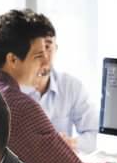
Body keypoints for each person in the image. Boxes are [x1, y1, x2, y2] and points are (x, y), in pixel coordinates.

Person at [0, 9, 116, 163]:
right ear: (13, 60)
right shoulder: (18, 106)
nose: (46, 62)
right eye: (38, 55)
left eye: (48, 50)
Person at [27, 13, 99, 154]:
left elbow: (95, 134)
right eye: (37, 50)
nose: (44, 56)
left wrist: (72, 143)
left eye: (48, 46)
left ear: (56, 48)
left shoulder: (71, 86)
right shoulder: (12, 90)